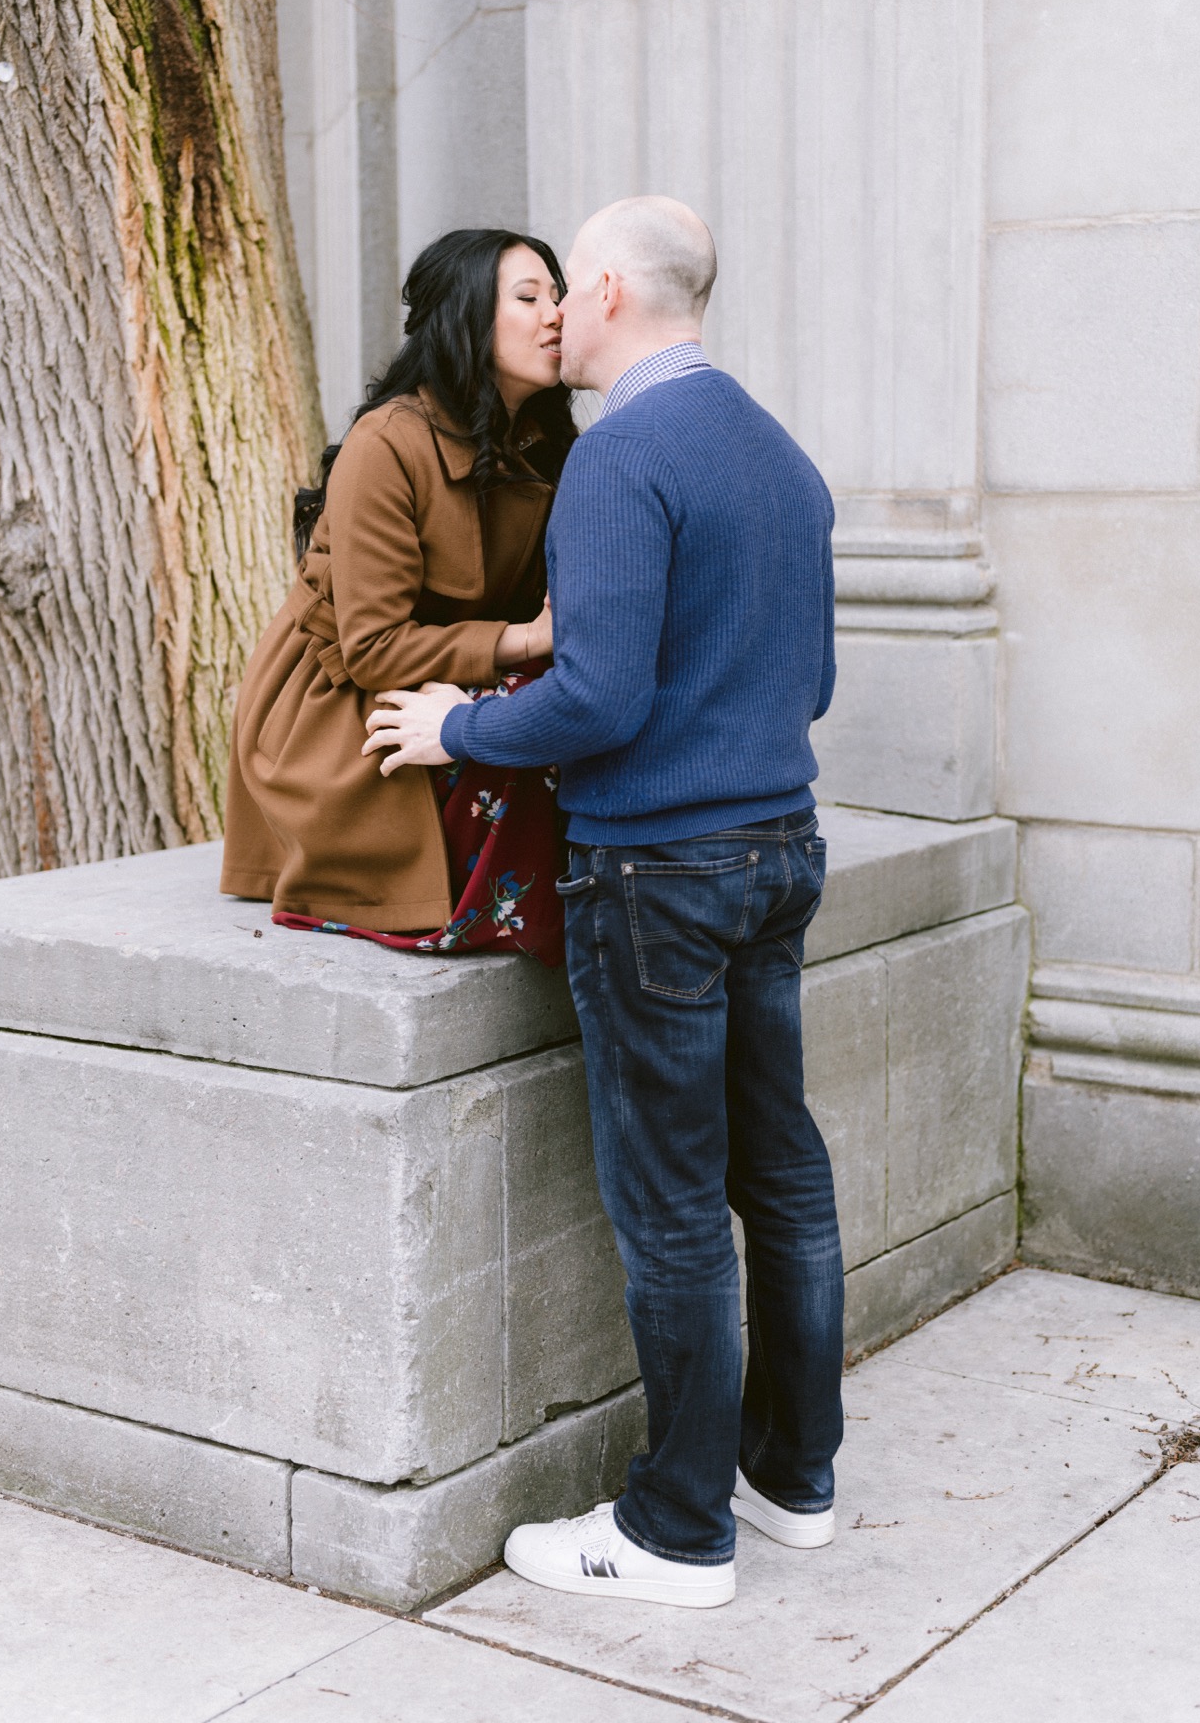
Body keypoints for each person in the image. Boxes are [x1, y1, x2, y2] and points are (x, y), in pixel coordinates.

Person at [365, 196, 843, 1609]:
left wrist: (458, 728)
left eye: (569, 286)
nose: (557, 311)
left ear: (620, 289)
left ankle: (679, 1531)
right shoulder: (780, 452)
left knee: (677, 1206)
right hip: (779, 846)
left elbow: (598, 694)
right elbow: (805, 686)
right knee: (784, 1173)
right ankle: (794, 1480)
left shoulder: (624, 453)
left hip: (659, 874)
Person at [220, 229, 576, 962]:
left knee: (581, 708)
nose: (557, 314)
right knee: (524, 733)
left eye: (560, 294)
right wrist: (528, 640)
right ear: (465, 318)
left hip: (452, 677)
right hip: (339, 701)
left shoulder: (543, 442)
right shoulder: (387, 443)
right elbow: (372, 647)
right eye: (529, 297)